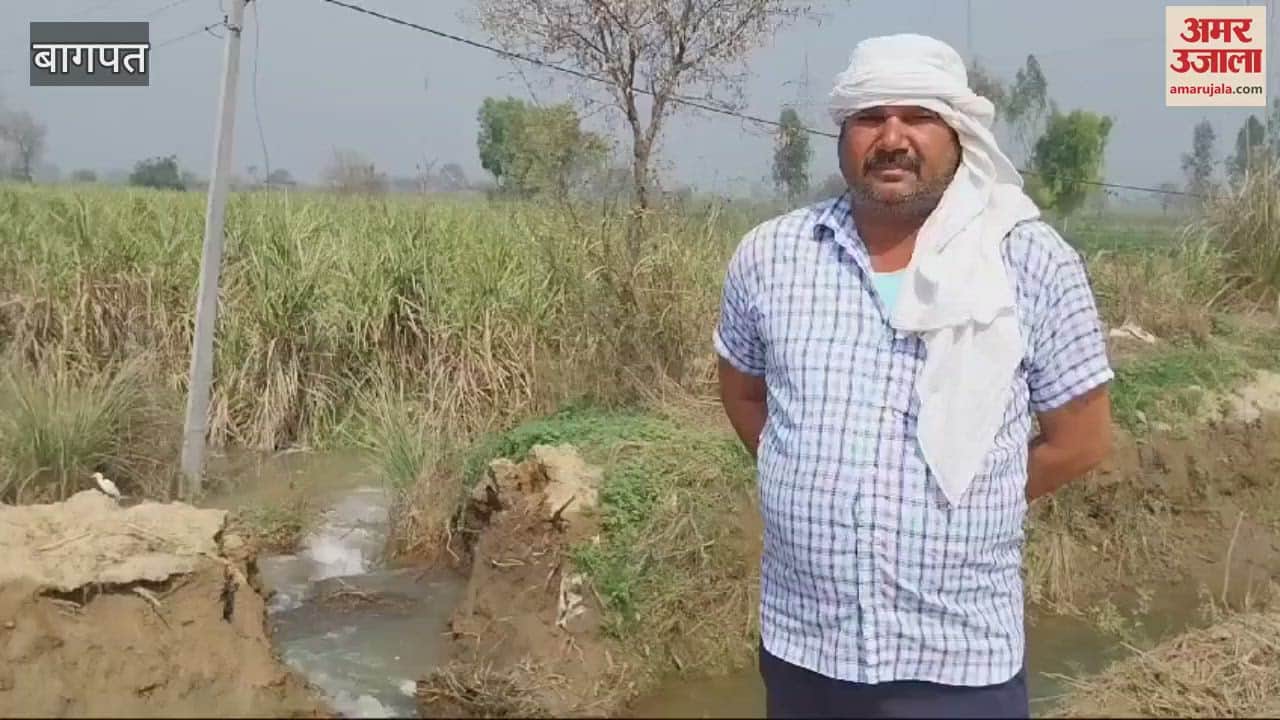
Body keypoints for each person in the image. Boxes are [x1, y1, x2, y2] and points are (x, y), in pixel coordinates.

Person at [713, 33, 1114, 719]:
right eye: (871, 117)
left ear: (959, 134)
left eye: (919, 117)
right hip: (807, 647)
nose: (892, 138)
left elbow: (1081, 439)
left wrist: (966, 500)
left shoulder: (1030, 260)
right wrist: (807, 473)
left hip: (958, 658)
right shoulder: (773, 256)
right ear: (843, 134)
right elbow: (745, 392)